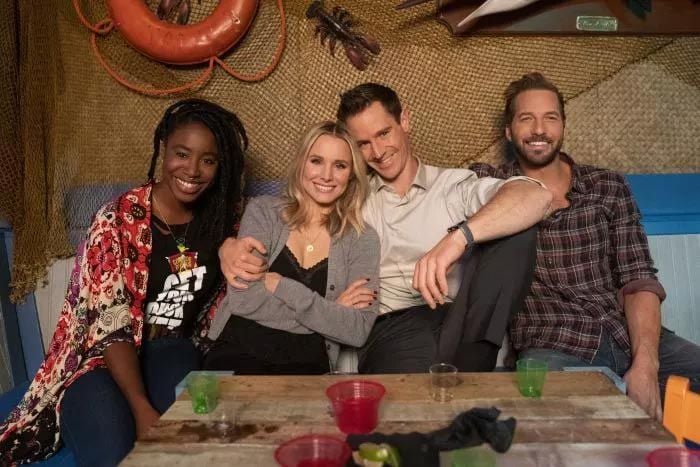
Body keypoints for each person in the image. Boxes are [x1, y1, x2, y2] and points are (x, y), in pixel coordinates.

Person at [218, 83, 553, 374]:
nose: (377, 152)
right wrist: (228, 245)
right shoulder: (351, 200)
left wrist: (458, 238)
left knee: (518, 233)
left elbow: (536, 196)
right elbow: (300, 218)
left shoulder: (453, 186)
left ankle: (470, 366)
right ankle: (464, 381)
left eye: (383, 133)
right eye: (363, 144)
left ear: (405, 121)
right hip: (393, 326)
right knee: (416, 362)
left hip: (460, 319)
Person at [0, 99, 248, 466]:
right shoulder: (116, 220)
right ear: (164, 148)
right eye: (182, 154)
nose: (193, 170)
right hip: (100, 361)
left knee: (187, 443)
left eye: (208, 160)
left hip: (170, 351)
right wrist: (141, 408)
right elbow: (110, 325)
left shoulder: (225, 220)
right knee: (114, 453)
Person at [470, 72, 700, 421]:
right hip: (554, 344)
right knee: (557, 419)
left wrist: (646, 364)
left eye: (550, 118)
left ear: (563, 125)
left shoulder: (607, 186)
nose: (539, 129)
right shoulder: (489, 186)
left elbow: (638, 279)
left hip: (626, 333)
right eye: (526, 118)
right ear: (508, 131)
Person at [203, 121, 379, 374]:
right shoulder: (264, 212)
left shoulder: (362, 238)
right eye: (316, 161)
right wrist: (328, 313)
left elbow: (356, 330)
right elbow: (243, 300)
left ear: (351, 174)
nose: (326, 175)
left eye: (340, 165)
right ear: (301, 163)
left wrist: (282, 287)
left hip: (308, 367)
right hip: (236, 352)